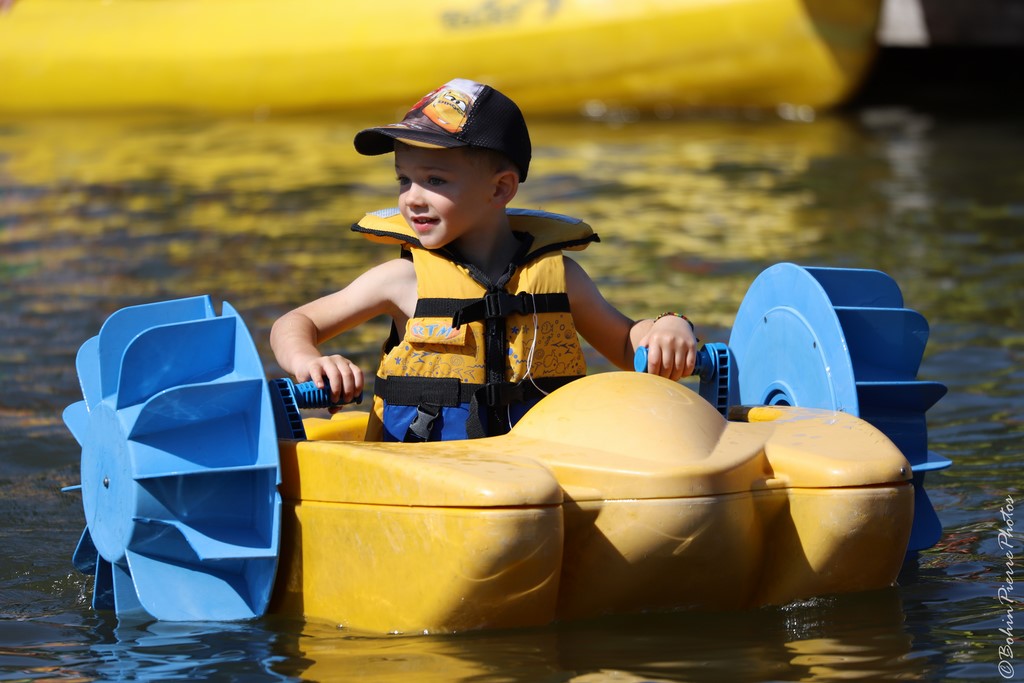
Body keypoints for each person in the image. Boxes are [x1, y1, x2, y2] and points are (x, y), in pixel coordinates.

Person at [271, 78, 698, 442]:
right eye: (404, 179)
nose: (411, 197)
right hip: (430, 477)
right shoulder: (401, 280)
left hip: (540, 466)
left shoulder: (559, 278)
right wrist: (310, 361)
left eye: (434, 180)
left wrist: (668, 326)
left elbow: (625, 345)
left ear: (500, 189)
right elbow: (294, 324)